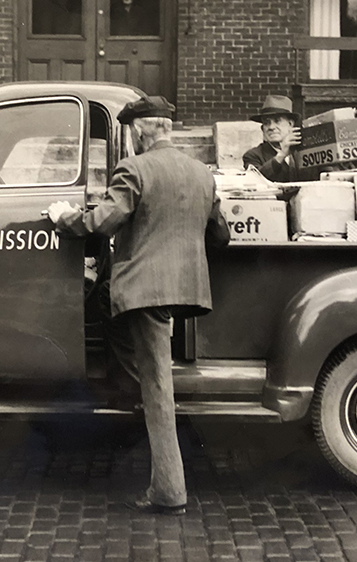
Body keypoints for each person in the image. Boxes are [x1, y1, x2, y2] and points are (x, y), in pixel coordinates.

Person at [47, 95, 229, 516]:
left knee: (158, 388)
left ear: (137, 132)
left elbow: (100, 222)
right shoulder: (201, 172)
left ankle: (168, 490)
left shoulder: (134, 168)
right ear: (165, 129)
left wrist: (63, 215)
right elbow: (220, 235)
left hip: (146, 291)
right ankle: (129, 408)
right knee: (133, 355)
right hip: (186, 288)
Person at [242, 94, 302, 182]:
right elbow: (258, 180)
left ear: (290, 124)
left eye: (277, 121)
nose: (271, 127)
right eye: (266, 123)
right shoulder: (253, 156)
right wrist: (282, 154)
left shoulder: (303, 150)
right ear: (262, 129)